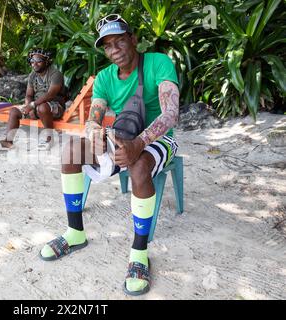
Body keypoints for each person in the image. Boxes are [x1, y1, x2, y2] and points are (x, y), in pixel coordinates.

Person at [39, 14, 180, 296]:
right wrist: (96, 135)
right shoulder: (104, 77)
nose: (114, 50)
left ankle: (139, 252)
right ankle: (75, 232)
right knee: (70, 151)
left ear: (133, 40)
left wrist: (139, 144)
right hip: (121, 136)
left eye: (119, 42)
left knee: (139, 167)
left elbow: (171, 113)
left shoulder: (158, 62)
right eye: (107, 46)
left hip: (159, 138)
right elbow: (94, 118)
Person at [0, 48, 67, 151]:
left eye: (39, 61)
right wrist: (29, 105)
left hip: (54, 106)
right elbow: (29, 95)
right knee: (14, 112)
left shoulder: (55, 74)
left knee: (42, 107)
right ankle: (8, 141)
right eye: (32, 61)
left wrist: (32, 106)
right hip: (35, 106)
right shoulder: (32, 75)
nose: (35, 64)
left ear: (46, 62)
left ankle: (49, 139)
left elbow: (51, 95)